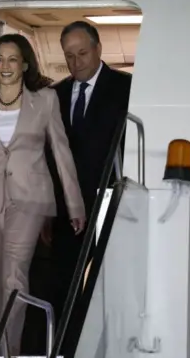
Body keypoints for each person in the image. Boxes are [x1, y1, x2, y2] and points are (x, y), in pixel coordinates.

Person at [0, 33, 86, 356]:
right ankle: (4, 345)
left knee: (13, 274)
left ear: (24, 65)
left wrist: (75, 205)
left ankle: (10, 352)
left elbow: (62, 154)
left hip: (31, 197)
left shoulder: (45, 99)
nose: (5, 66)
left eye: (12, 59)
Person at [47, 21, 133, 354]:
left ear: (98, 49)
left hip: (111, 206)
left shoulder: (127, 88)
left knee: (106, 285)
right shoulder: (55, 95)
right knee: (62, 288)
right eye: (69, 55)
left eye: (82, 53)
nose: (76, 61)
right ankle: (64, 349)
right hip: (66, 210)